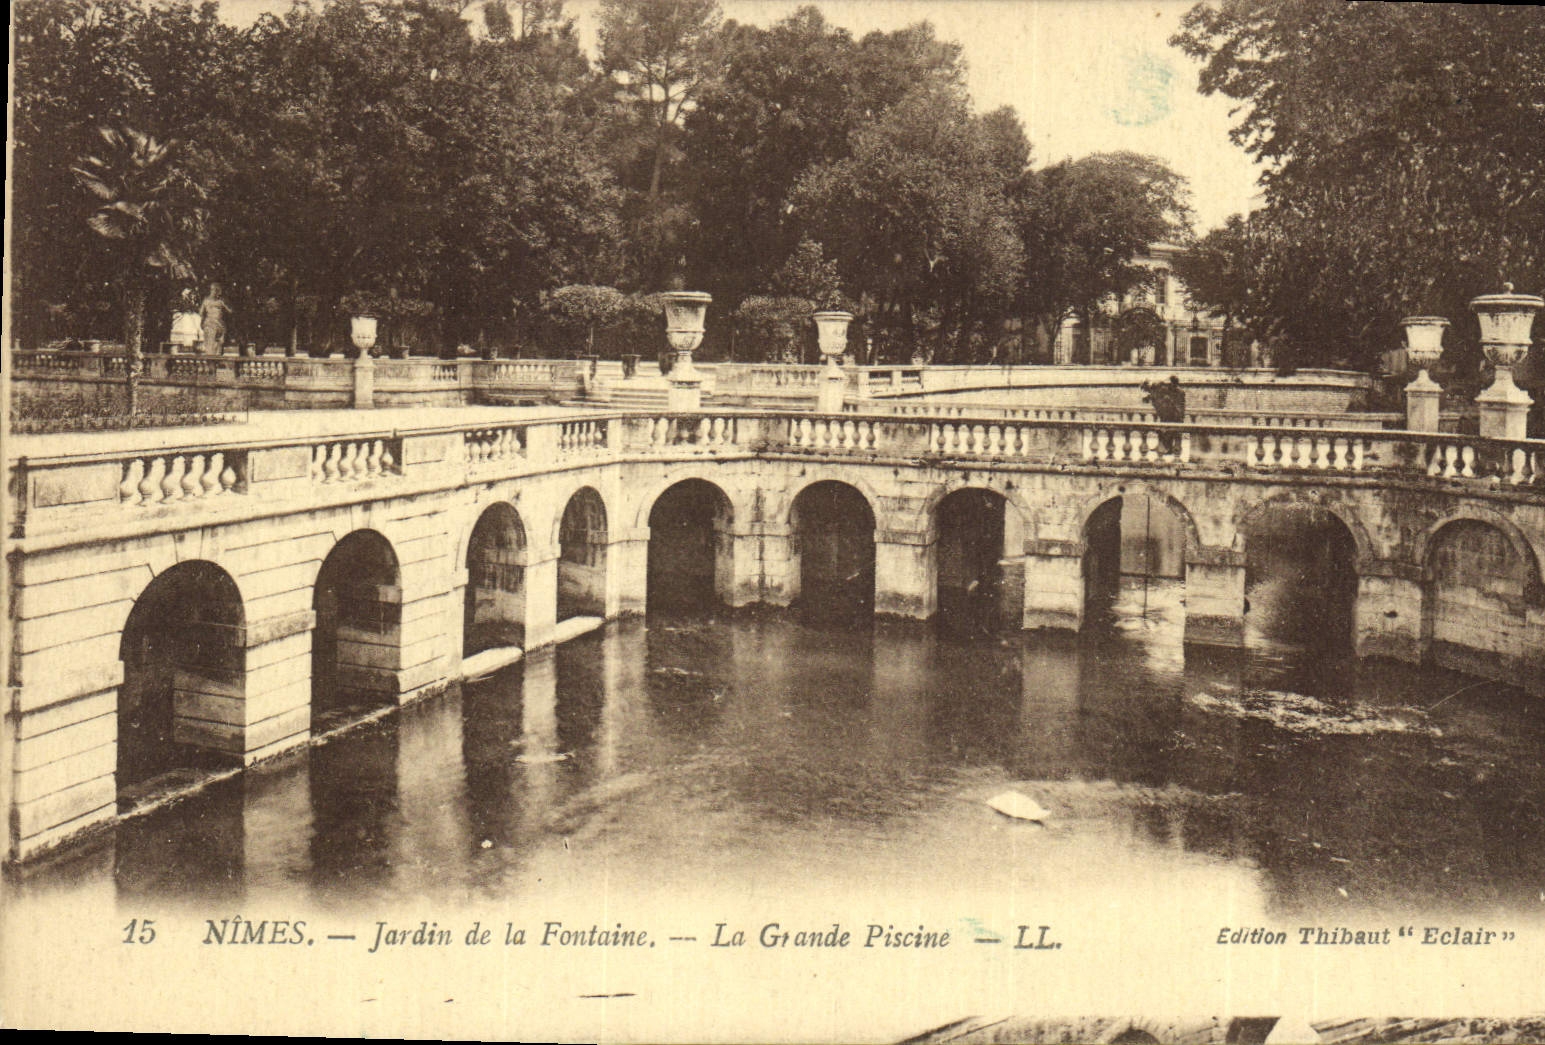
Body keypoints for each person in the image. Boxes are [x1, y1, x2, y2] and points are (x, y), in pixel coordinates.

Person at [199, 283, 233, 354]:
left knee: (213, 345)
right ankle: (213, 360)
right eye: (215, 290)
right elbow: (230, 311)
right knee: (213, 345)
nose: (215, 292)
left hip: (214, 325)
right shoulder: (219, 302)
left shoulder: (208, 301)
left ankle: (213, 360)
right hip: (213, 325)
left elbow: (201, 313)